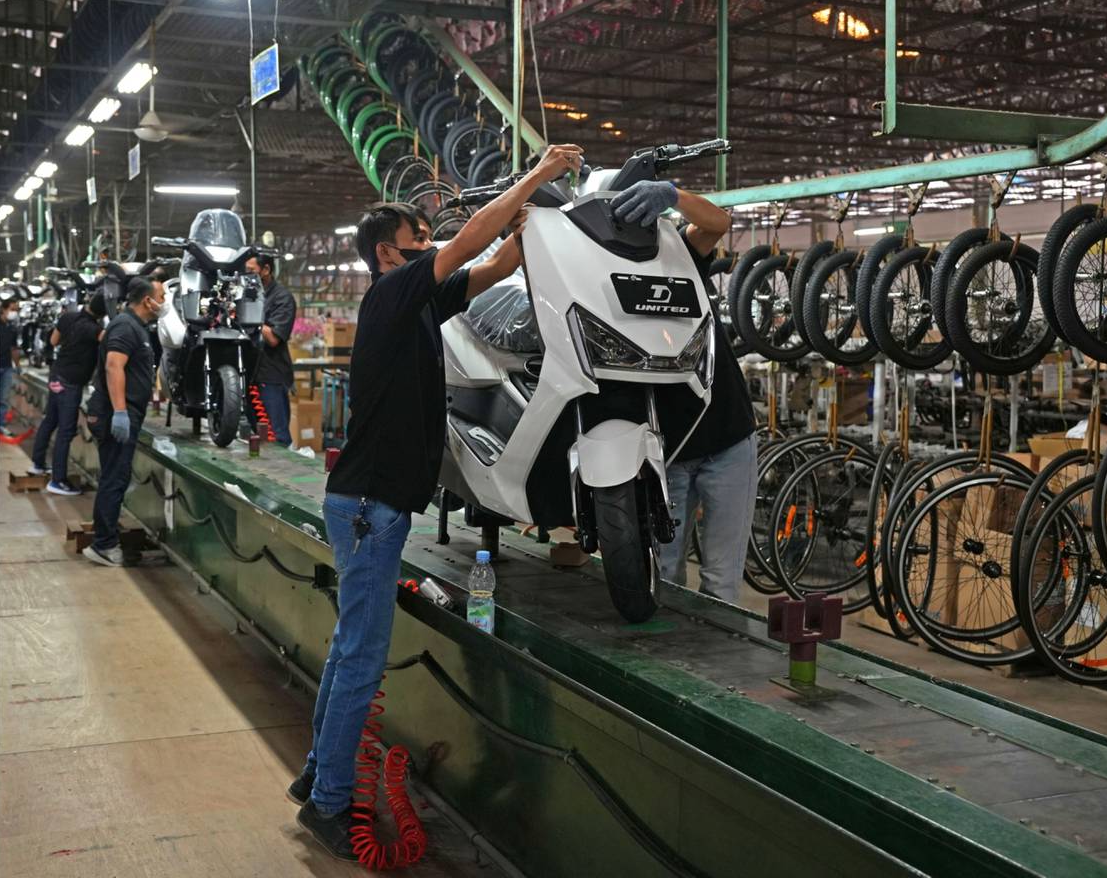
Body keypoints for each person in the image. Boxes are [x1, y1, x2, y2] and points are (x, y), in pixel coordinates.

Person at [292, 144, 585, 859]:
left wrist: (537, 217)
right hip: (370, 507)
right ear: (389, 257)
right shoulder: (392, 296)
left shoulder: (422, 304)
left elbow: (499, 262)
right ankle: (330, 802)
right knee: (361, 659)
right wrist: (537, 174)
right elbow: (472, 239)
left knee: (348, 651)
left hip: (371, 504)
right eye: (419, 240)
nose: (432, 244)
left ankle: (315, 778)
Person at [613, 179, 752, 604]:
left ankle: (716, 667)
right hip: (667, 452)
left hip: (728, 436)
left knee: (722, 581)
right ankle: (670, 663)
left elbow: (718, 222)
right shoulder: (597, 281)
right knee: (665, 576)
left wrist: (672, 195)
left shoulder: (677, 257)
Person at [82, 276, 164, 568]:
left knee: (115, 476)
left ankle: (106, 536)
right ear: (147, 301)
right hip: (114, 412)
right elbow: (113, 366)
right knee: (114, 478)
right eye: (162, 296)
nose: (163, 302)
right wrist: (119, 411)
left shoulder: (135, 327)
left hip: (123, 410)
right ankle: (103, 545)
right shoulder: (125, 326)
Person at [28, 292, 107, 495]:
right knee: (66, 431)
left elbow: (54, 341)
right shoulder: (94, 329)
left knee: (50, 421)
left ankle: (37, 464)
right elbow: (110, 340)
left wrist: (72, 343)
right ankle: (58, 480)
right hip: (70, 383)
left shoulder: (68, 317)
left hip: (56, 375)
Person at [244, 252, 297, 445]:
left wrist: (249, 317)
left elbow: (274, 338)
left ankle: (282, 472)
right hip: (249, 372)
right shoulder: (248, 295)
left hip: (271, 375)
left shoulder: (282, 298)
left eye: (251, 271)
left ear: (266, 270)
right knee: (256, 433)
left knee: (277, 434)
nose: (246, 275)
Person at [0, 298, 21, 437]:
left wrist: (17, 365)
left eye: (16, 310)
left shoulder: (12, 328)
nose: (14, 312)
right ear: (3, 309)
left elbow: (14, 348)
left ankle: (0, 424)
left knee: (3, 398)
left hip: (6, 367)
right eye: (12, 309)